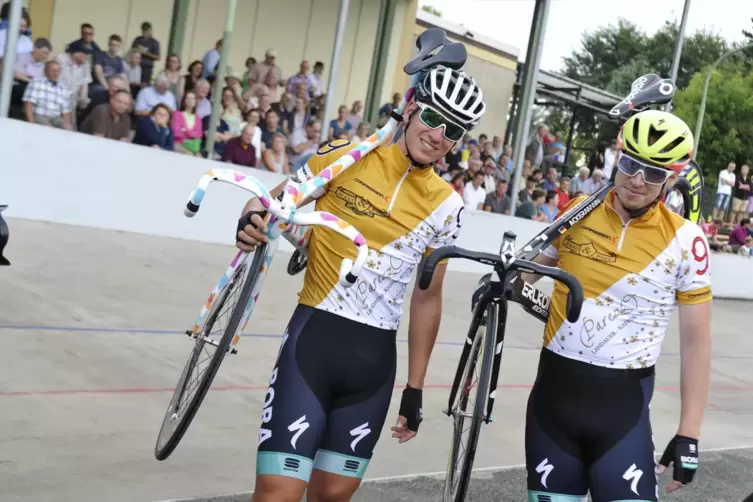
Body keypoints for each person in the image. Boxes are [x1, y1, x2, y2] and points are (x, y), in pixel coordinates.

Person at [235, 65, 486, 502]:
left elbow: (427, 299)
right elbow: (269, 202)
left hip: (372, 366)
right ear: (410, 109)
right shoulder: (347, 156)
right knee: (277, 495)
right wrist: (250, 219)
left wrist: (415, 389)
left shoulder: (448, 206)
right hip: (311, 346)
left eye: (454, 130)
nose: (438, 135)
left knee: (332, 497)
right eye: (432, 117)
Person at [519, 109, 711, 501]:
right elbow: (524, 275)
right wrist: (501, 280)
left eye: (654, 173)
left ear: (672, 178)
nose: (638, 180)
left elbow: (696, 342)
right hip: (552, 412)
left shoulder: (687, 241)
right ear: (616, 157)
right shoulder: (575, 211)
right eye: (630, 164)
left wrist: (689, 432)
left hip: (621, 418)